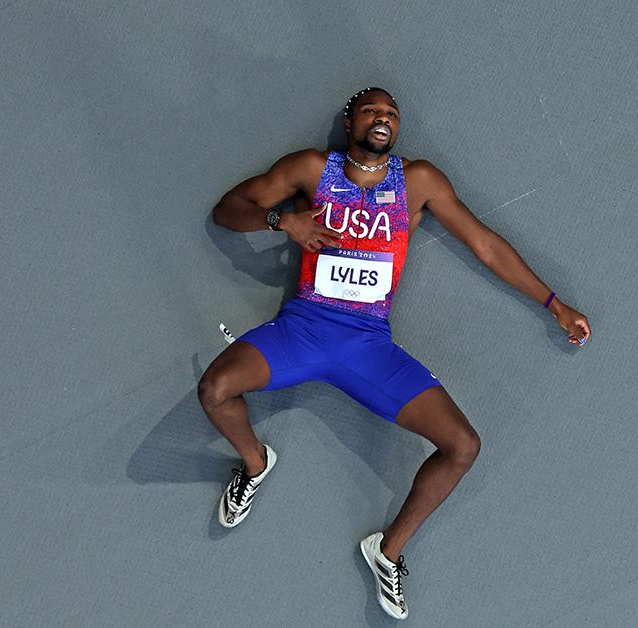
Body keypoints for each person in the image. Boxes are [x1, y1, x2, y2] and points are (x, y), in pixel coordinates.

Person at [198, 87, 590, 620]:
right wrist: (281, 221)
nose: (383, 119)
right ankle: (255, 461)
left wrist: (554, 303)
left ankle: (387, 550)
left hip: (367, 344)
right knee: (215, 389)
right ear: (349, 120)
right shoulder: (311, 169)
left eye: (391, 114)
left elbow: (486, 244)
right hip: (305, 330)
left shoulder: (419, 181)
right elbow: (228, 210)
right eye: (371, 111)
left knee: (463, 446)